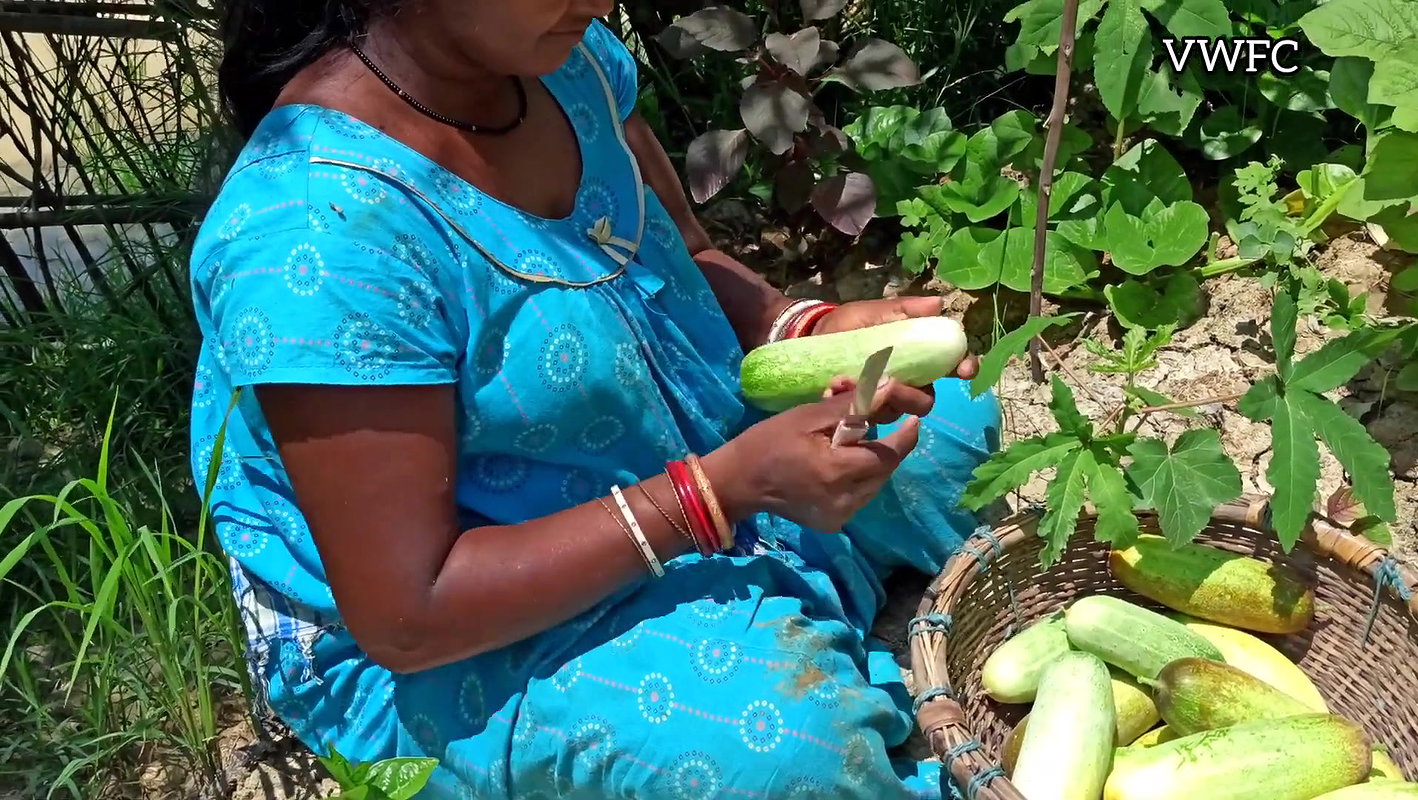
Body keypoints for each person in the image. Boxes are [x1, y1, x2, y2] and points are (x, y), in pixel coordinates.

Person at [189, 0, 1001, 797]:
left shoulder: (557, 60)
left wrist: (804, 324)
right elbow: (411, 614)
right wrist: (719, 492)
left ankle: (782, 602)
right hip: (471, 629)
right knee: (783, 753)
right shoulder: (317, 235)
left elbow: (681, 253)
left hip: (682, 455)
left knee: (951, 427)